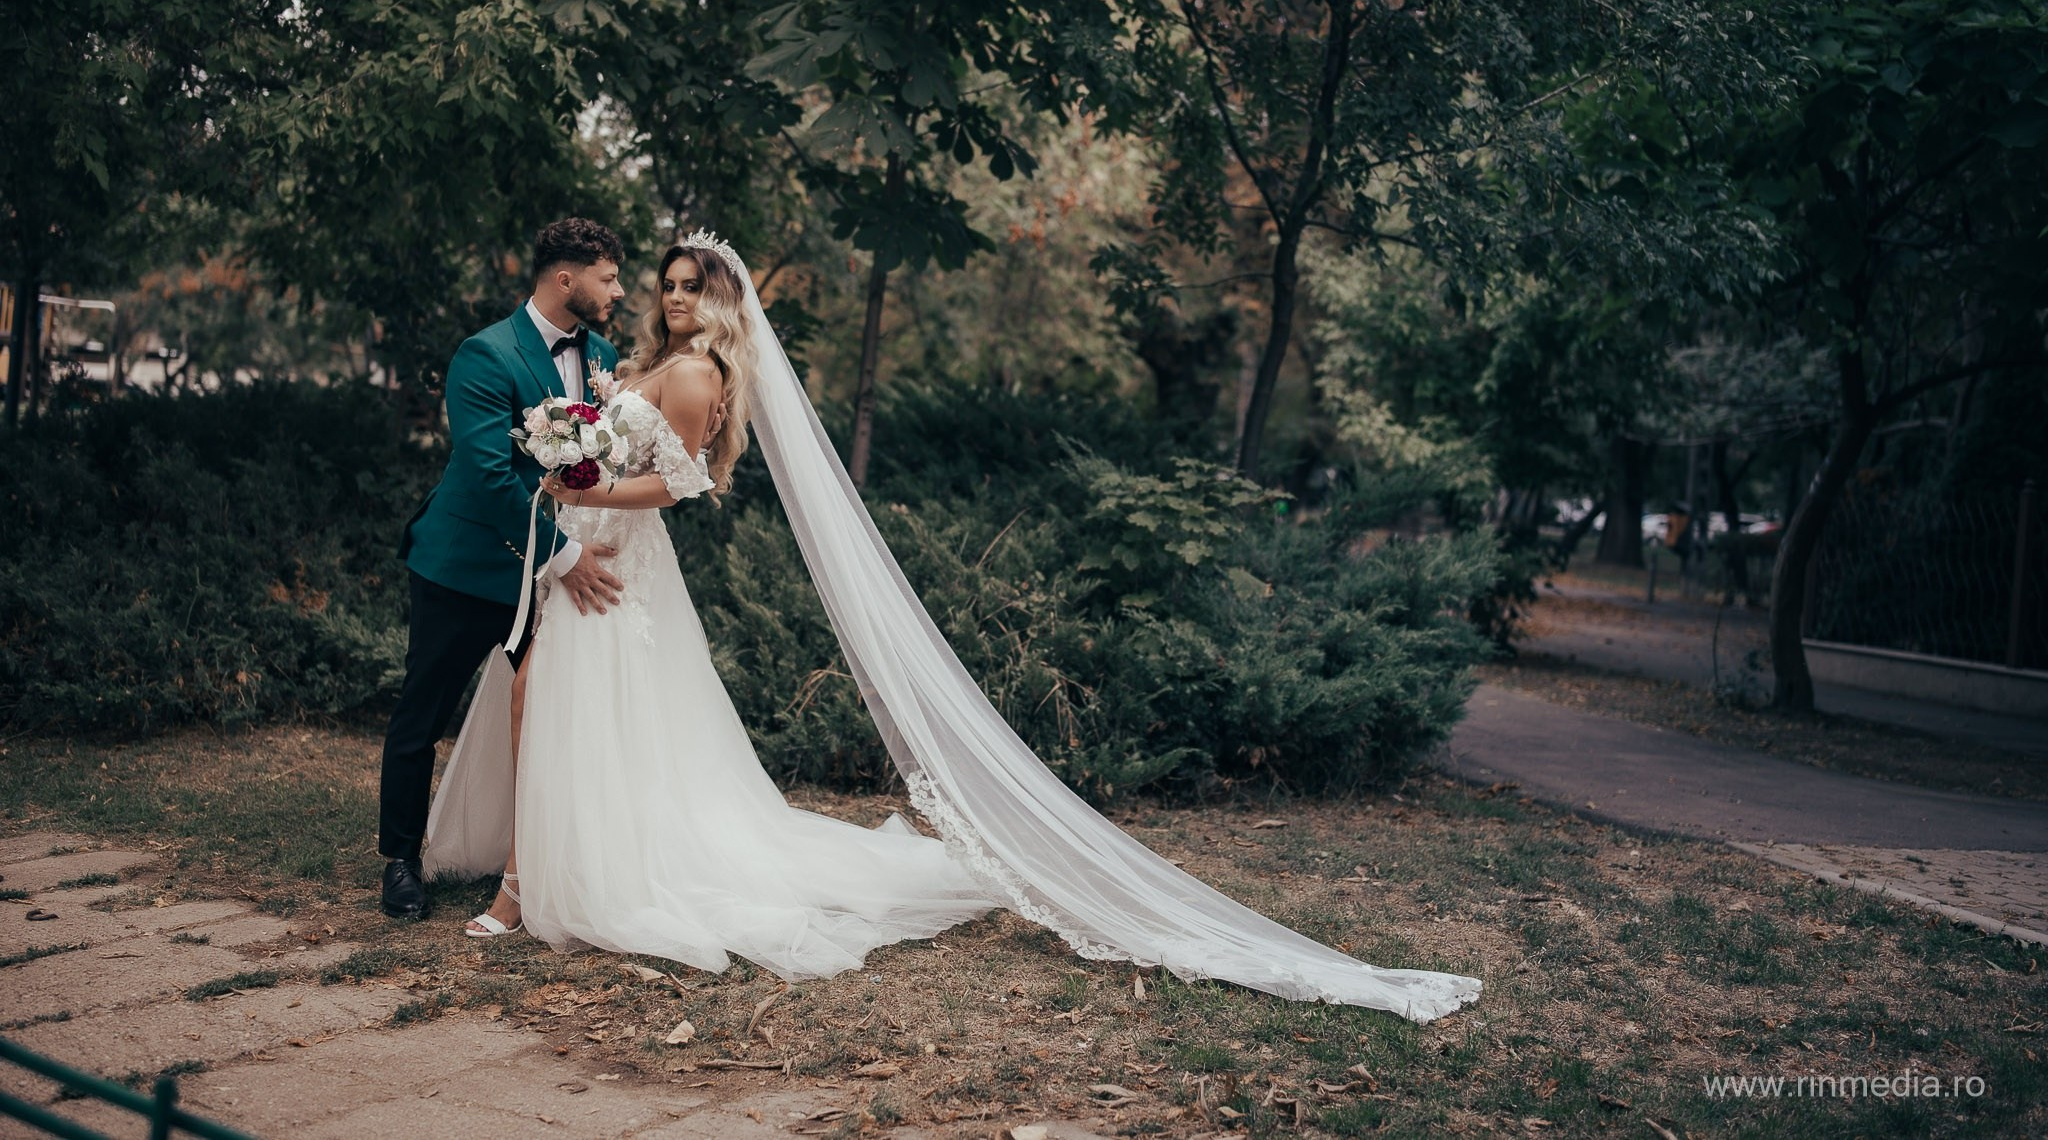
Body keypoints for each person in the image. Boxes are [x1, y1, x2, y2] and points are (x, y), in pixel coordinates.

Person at [426, 230, 1482, 1020]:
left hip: (620, 558)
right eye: (667, 285)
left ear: (727, 303)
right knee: (570, 708)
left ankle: (549, 882)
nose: (675, 298)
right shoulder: (633, 364)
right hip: (582, 560)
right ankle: (548, 867)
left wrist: (579, 497)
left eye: (693, 287)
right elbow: (607, 441)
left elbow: (682, 485)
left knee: (602, 711)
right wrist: (575, 452)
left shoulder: (700, 375)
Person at [377, 218, 627, 922]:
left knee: (553, 714)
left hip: (547, 579)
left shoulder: (603, 354)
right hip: (466, 567)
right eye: (608, 277)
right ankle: (400, 859)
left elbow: (595, 462)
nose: (618, 290)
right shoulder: (484, 355)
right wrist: (565, 555)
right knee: (423, 712)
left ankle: (541, 856)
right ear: (565, 278)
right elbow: (491, 477)